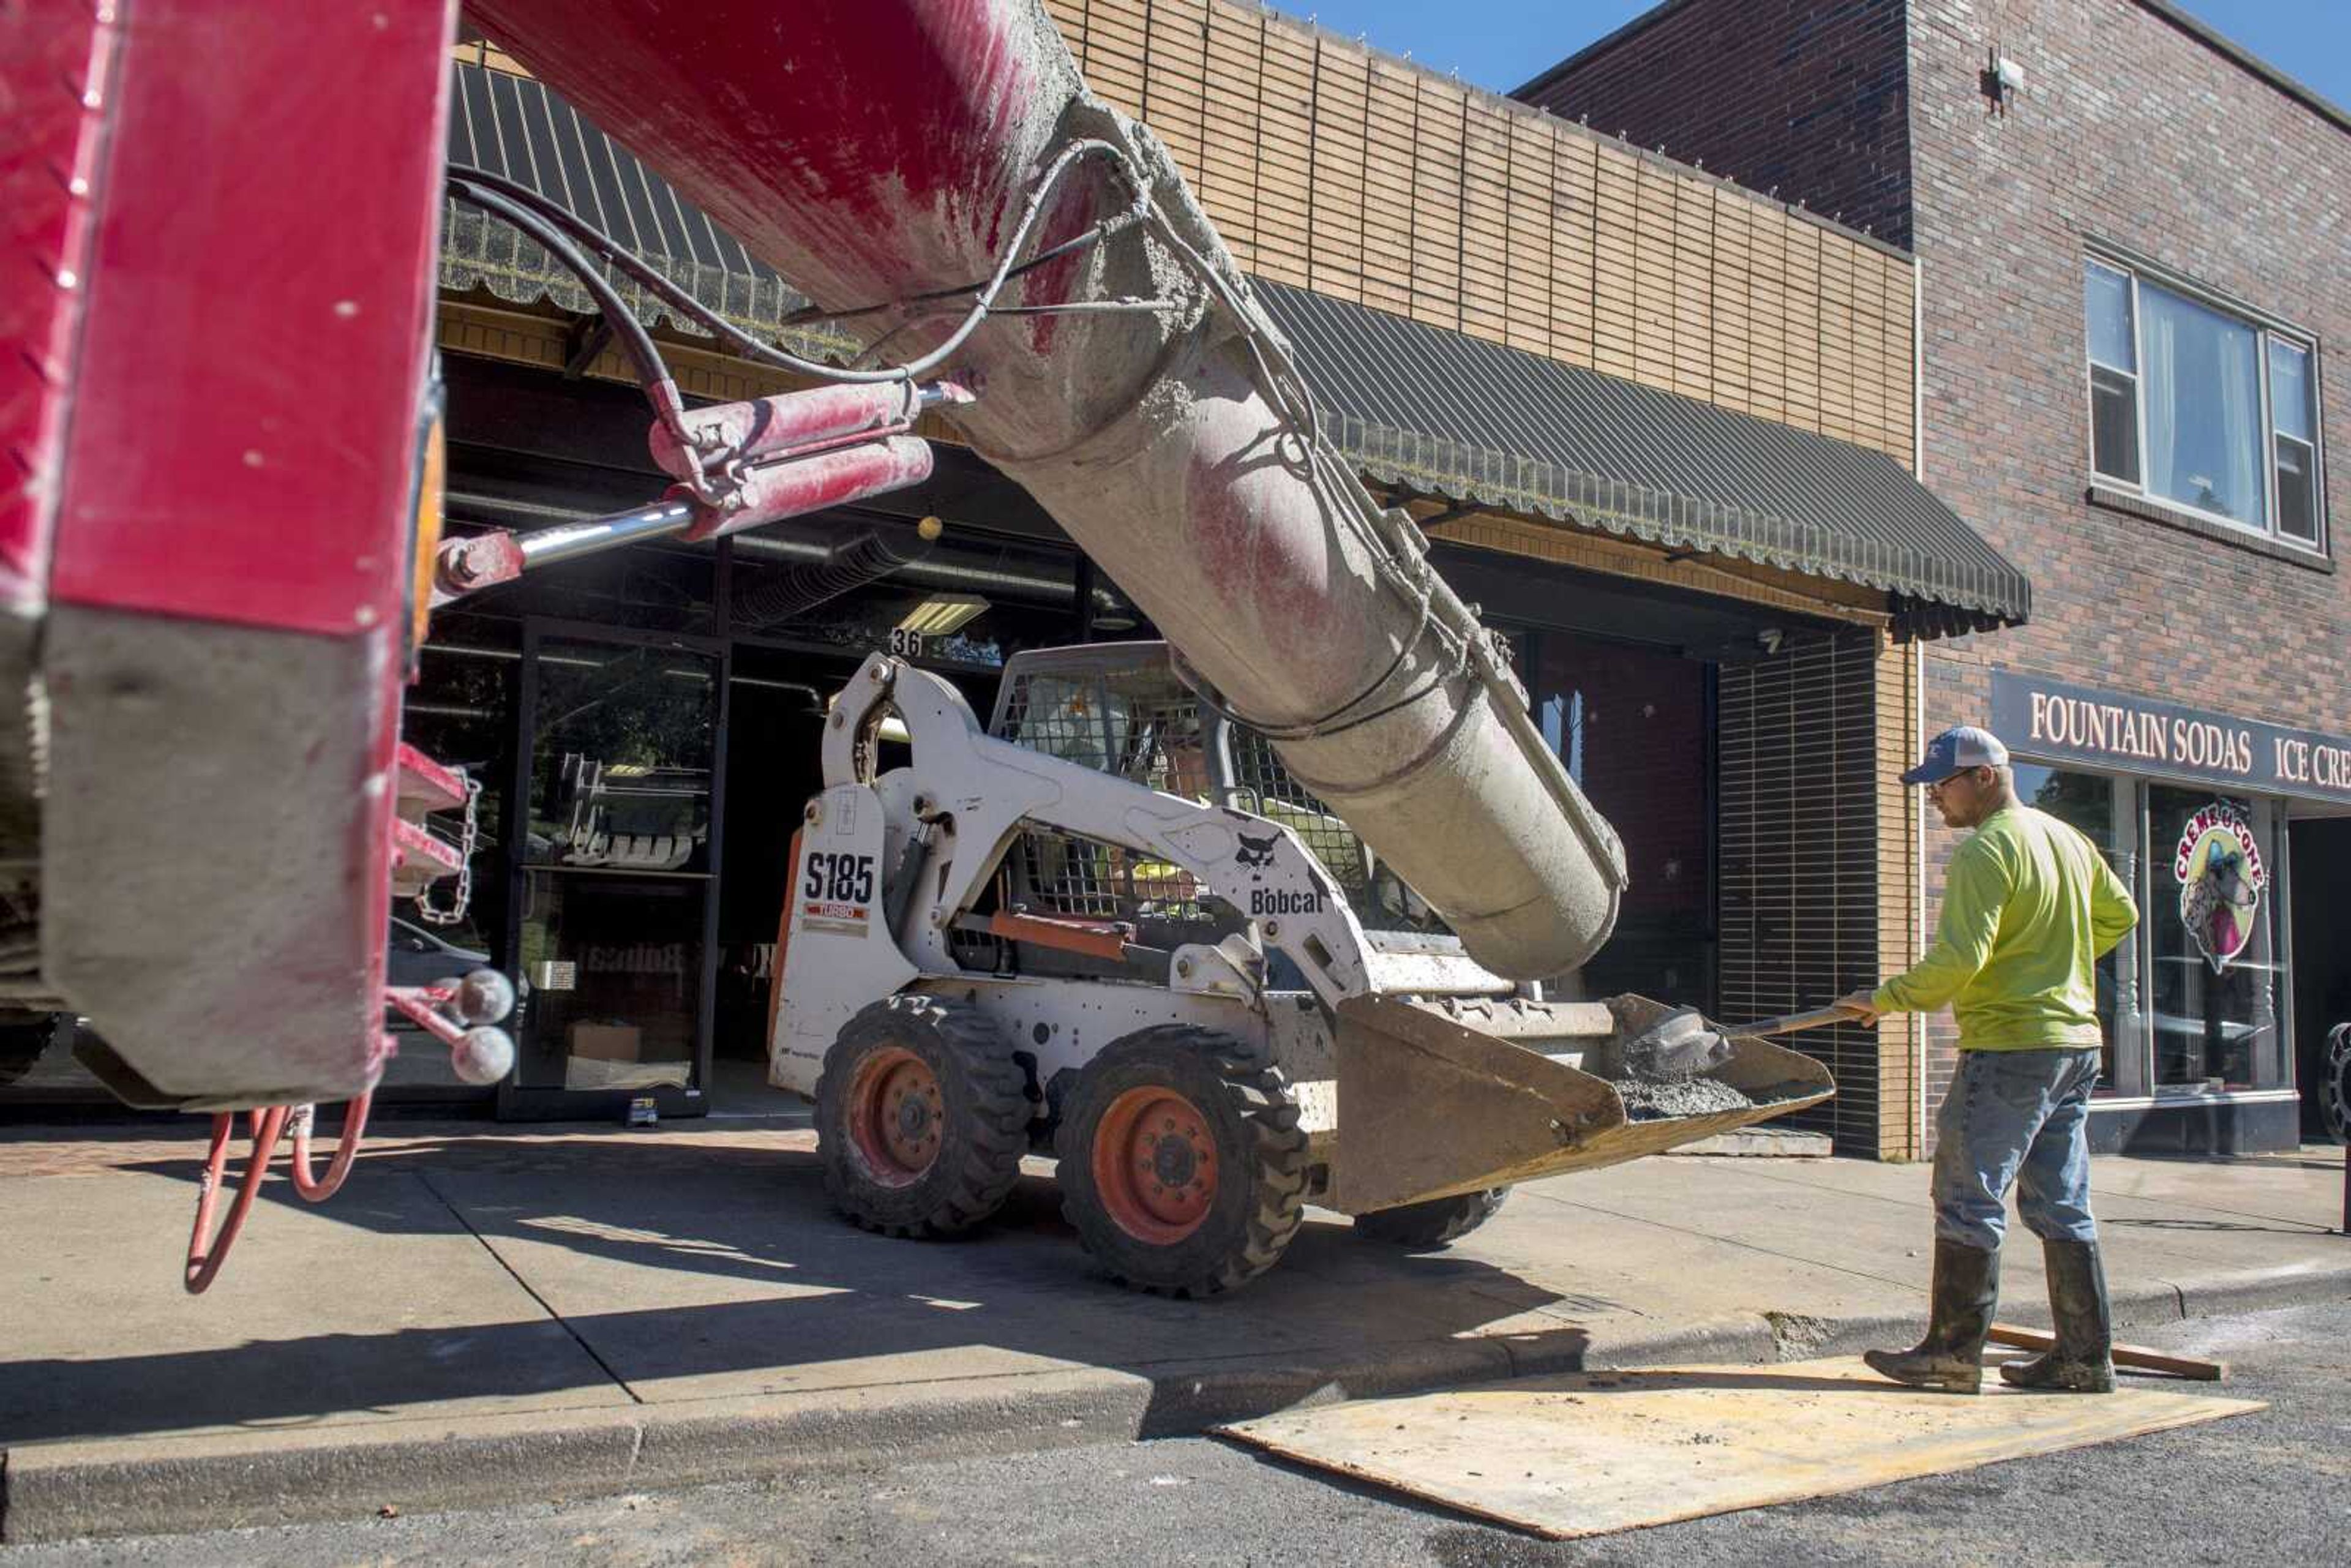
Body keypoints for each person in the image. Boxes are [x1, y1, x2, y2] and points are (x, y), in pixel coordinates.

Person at [1835, 725, 2139, 1395]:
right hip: (2074, 1044)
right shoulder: (2066, 839)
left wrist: (1884, 1000)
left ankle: (1951, 1353)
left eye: (1941, 784)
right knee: (2063, 1202)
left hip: (2010, 1047)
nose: (1935, 799)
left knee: (1967, 1196)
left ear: (1984, 777)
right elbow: (2122, 913)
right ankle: (2086, 1358)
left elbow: (1958, 962)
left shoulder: (1986, 851)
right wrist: (2055, 960)